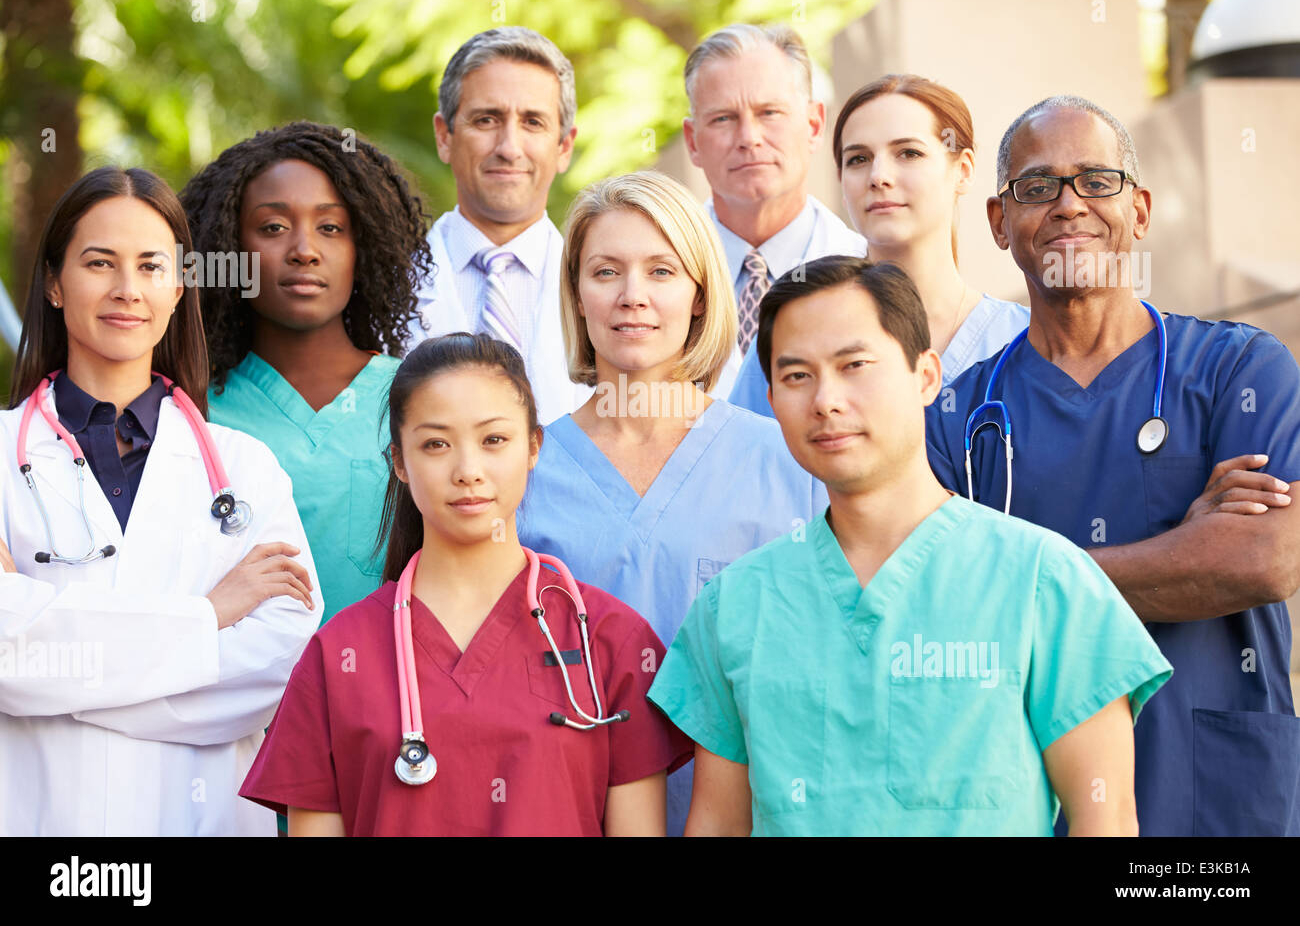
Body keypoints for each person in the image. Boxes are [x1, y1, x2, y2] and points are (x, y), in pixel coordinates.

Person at [648, 255, 1172, 835]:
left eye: (855, 365)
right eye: (797, 375)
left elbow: (1107, 820)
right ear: (771, 399)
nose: (826, 400)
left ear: (926, 376)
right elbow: (717, 825)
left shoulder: (1045, 582)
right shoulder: (735, 609)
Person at [925, 95, 1300, 836]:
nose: (1070, 205)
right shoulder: (954, 419)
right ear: (1000, 223)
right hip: (1034, 803)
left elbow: (1265, 558)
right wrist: (1185, 549)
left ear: (1140, 208)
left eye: (1096, 180)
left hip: (1219, 802)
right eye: (1037, 187)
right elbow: (945, 614)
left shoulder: (1240, 370)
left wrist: (1013, 579)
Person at [239, 333, 690, 835]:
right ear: (400, 463)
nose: (468, 471)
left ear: (534, 447)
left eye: (494, 440)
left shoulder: (609, 641)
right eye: (436, 444)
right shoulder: (338, 655)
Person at [0, 167, 321, 835]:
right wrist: (207, 616)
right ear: (55, 283)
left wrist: (49, 670)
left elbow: (274, 672)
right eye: (99, 263)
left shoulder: (246, 470)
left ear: (179, 287)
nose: (127, 289)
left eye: (151, 265)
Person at [517, 170, 826, 835]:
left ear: (698, 295)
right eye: (606, 272)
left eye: (661, 271)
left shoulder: (788, 463)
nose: (633, 297)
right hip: (567, 812)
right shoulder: (521, 470)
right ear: (575, 295)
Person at [181, 121, 432, 625]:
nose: (304, 249)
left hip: (391, 695)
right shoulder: (192, 411)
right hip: (239, 697)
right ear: (228, 248)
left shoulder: (421, 396)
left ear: (363, 247)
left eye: (331, 227)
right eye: (273, 227)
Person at [681, 23, 867, 405]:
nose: (749, 137)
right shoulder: (657, 276)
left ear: (814, 125)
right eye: (723, 118)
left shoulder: (869, 267)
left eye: (770, 112)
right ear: (692, 142)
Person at [409, 27, 588, 425]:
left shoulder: (603, 292)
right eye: (486, 119)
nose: (508, 148)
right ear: (444, 136)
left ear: (564, 146)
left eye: (533, 122)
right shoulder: (388, 284)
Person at [833, 75, 1028, 381]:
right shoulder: (797, 334)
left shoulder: (1027, 343)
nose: (878, 176)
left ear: (963, 171)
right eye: (858, 159)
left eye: (909, 153)